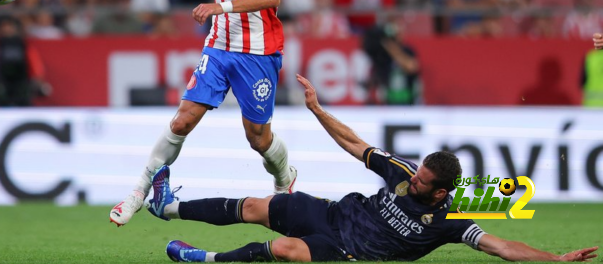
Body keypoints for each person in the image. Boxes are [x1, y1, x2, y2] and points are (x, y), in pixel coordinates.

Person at [145, 75, 599, 262]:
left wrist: (554, 259)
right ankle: (168, 207)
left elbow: (503, 245)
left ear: (441, 193)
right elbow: (354, 144)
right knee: (259, 205)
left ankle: (203, 259)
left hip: (347, 251)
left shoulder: (451, 221)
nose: (413, 178)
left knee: (285, 250)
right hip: (332, 214)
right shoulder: (403, 171)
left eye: (423, 181)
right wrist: (318, 110)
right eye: (416, 173)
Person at [109, 0, 296, 227]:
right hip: (219, 48)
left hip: (257, 53)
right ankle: (137, 192)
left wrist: (219, 6)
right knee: (182, 121)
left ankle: (285, 179)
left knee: (258, 138)